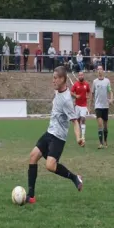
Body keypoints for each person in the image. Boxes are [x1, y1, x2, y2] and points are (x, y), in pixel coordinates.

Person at [25, 66, 84, 204]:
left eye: (55, 78)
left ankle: (75, 178)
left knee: (50, 166)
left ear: (62, 79)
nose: (53, 81)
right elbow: (67, 90)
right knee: (33, 156)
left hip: (58, 137)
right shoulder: (60, 90)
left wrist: (78, 138)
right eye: (53, 78)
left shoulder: (67, 102)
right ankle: (31, 196)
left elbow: (75, 122)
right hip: (49, 132)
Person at [92, 66, 113, 149]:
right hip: (98, 106)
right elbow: (92, 94)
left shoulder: (107, 81)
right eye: (98, 69)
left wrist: (111, 99)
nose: (99, 71)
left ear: (103, 71)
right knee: (100, 124)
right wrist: (90, 105)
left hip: (105, 106)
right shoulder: (95, 82)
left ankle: (105, 141)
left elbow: (110, 91)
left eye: (101, 69)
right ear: (97, 71)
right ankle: (100, 143)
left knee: (105, 126)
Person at [71, 71, 91, 141]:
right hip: (77, 106)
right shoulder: (76, 84)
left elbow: (89, 91)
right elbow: (71, 92)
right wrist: (75, 95)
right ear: (78, 76)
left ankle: (83, 136)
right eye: (79, 75)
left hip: (84, 106)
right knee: (77, 121)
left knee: (83, 119)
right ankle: (78, 135)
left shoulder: (86, 84)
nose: (81, 76)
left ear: (83, 76)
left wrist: (88, 96)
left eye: (82, 75)